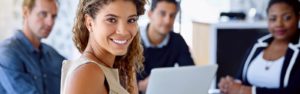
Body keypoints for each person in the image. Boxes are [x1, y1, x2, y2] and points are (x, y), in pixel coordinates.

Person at [60, 0, 146, 94]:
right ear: (90, 23)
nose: (123, 31)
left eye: (131, 20)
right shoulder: (88, 72)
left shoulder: (118, 69)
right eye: (111, 20)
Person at [218, 0, 300, 93]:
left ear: (298, 17)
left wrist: (246, 91)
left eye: (286, 18)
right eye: (273, 19)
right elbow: (241, 79)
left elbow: (295, 91)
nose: (279, 24)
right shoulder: (259, 44)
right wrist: (230, 84)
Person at [0, 0, 65, 94]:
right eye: (43, 14)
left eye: (53, 16)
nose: (50, 23)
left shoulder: (54, 56)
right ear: (26, 12)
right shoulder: (6, 53)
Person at [137, 0, 194, 93]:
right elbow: (118, 79)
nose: (168, 21)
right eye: (162, 14)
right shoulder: (132, 40)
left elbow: (191, 74)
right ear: (150, 15)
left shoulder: (177, 41)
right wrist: (140, 86)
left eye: (172, 15)